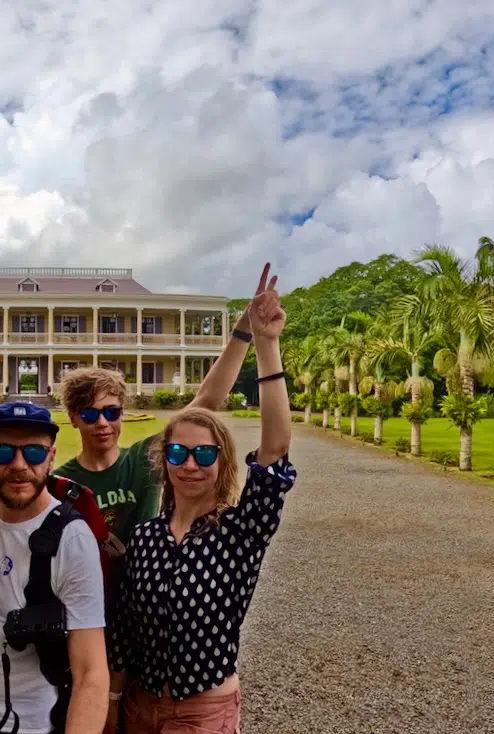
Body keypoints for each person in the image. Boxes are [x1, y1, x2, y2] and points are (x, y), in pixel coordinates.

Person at [105, 285, 296, 734]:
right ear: (164, 460)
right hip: (139, 704)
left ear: (222, 461)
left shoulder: (240, 530)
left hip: (202, 711)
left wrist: (266, 343)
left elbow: (275, 447)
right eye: (178, 454)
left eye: (204, 455)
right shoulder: (147, 537)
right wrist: (112, 703)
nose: (190, 464)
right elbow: (125, 632)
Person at [54, 263, 279, 551]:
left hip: (148, 586)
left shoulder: (142, 460)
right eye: (89, 414)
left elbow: (207, 400)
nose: (102, 423)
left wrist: (245, 327)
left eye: (111, 412)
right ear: (73, 418)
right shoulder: (62, 482)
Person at [0, 401, 109, 734]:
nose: (19, 465)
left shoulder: (72, 539)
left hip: (32, 725)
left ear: (52, 456)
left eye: (33, 452)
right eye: (4, 451)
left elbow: (91, 673)